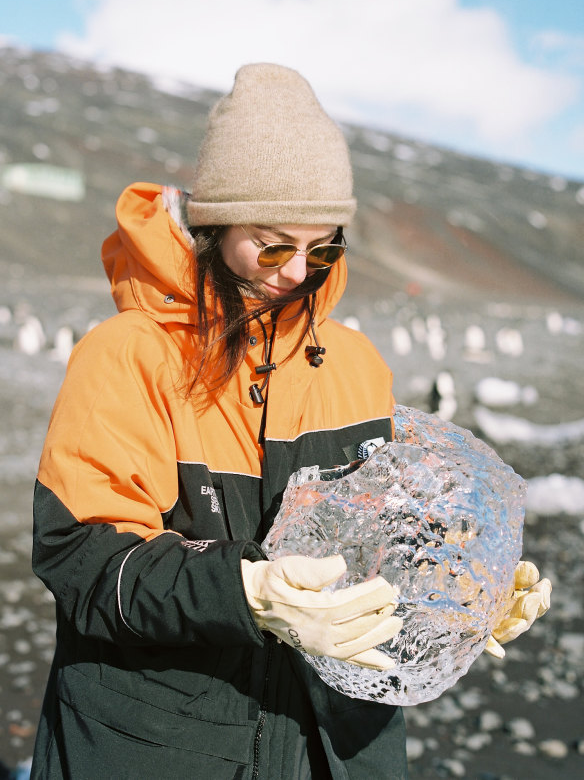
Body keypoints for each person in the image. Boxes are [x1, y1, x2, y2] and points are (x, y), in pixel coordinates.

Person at [30, 63, 550, 779]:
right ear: (216, 224)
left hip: (335, 751)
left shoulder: (355, 363)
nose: (298, 270)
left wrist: (461, 589)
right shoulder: (126, 356)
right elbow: (83, 559)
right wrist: (249, 590)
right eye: (273, 243)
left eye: (324, 245)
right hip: (166, 749)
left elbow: (380, 533)